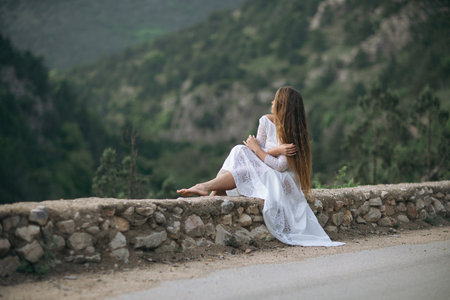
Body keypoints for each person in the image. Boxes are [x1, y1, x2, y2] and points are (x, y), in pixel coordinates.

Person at [177, 87, 344, 247]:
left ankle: (206, 189)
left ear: (282, 106)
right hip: (264, 170)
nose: (271, 102)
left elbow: (280, 166)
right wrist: (275, 149)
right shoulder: (265, 121)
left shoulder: (294, 133)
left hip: (284, 179)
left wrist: (257, 149)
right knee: (240, 151)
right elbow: (255, 155)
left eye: (276, 100)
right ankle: (207, 191)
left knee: (243, 158)